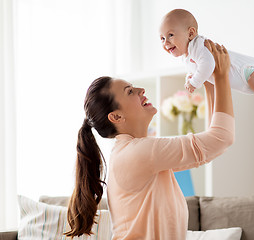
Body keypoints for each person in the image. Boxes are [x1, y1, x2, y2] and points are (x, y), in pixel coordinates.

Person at [65, 40, 234, 239]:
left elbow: (209, 146)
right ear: (116, 117)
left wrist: (207, 79)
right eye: (130, 91)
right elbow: (221, 138)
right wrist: (221, 77)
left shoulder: (138, 153)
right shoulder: (139, 153)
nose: (141, 90)